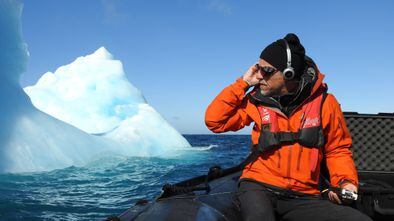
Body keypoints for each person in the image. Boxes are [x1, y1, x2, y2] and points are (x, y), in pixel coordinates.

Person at [205, 33, 372, 221]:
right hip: (258, 185)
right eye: (257, 68)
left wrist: (345, 182)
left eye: (266, 70)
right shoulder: (255, 100)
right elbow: (215, 122)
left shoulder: (326, 103)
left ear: (288, 74)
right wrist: (242, 83)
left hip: (305, 194)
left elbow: (337, 149)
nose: (259, 76)